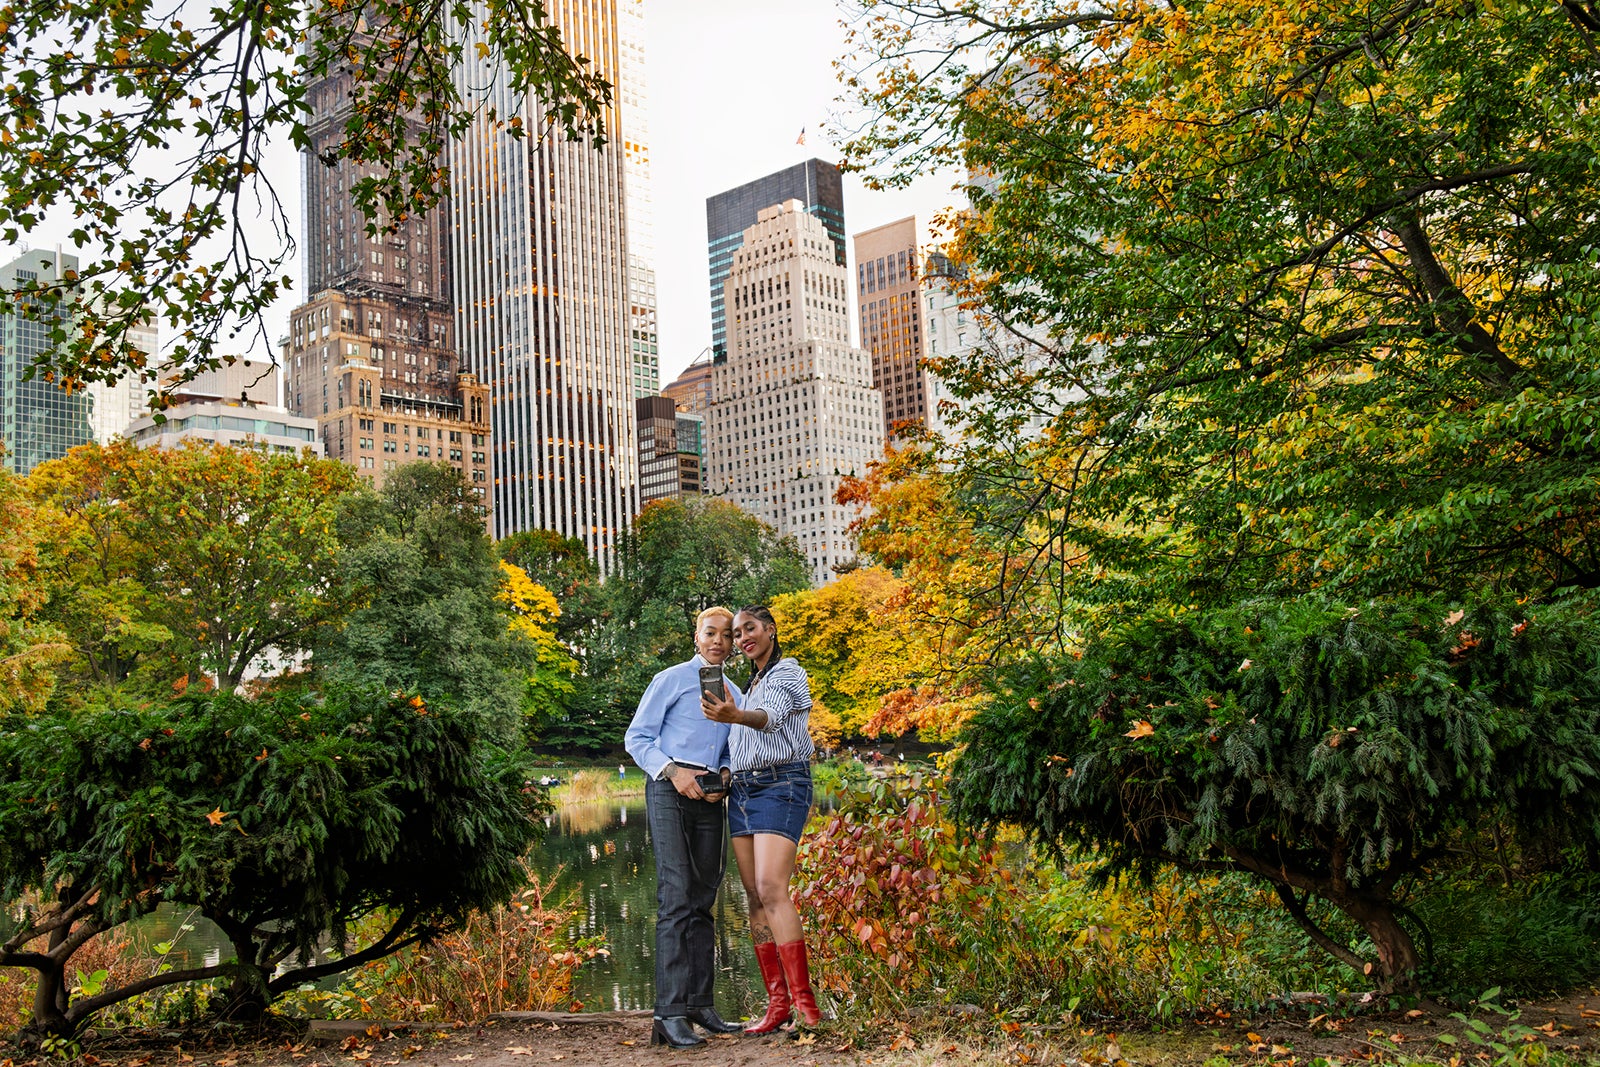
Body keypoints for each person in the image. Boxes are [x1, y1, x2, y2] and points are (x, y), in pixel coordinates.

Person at [624, 607, 745, 1049]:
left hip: (710, 799)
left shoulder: (733, 692)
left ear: (732, 644)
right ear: (696, 638)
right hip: (670, 789)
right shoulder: (670, 679)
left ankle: (699, 1004)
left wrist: (726, 777)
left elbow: (733, 748)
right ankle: (669, 1013)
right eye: (709, 633)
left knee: (703, 901)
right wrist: (674, 772)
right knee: (675, 897)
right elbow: (637, 738)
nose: (717, 641)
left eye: (725, 636)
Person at [700, 605, 824, 1034]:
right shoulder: (747, 685)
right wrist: (727, 772)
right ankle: (777, 1006)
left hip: (781, 785)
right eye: (737, 633)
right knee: (753, 896)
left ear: (770, 630)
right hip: (744, 791)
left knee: (773, 889)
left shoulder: (787, 672)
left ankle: (807, 1008)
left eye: (749, 628)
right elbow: (741, 741)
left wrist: (734, 715)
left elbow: (768, 720)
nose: (742, 637)